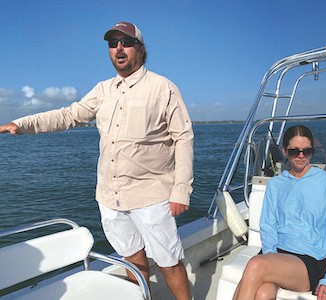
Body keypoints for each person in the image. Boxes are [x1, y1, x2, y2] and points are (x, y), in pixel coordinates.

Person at [0, 21, 193, 300]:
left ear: (140, 48)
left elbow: (183, 138)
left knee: (168, 261)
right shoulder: (103, 89)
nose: (118, 49)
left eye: (125, 42)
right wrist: (21, 123)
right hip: (109, 195)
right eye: (112, 44)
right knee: (132, 256)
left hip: (151, 195)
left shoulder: (163, 88)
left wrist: (181, 190)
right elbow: (68, 115)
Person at [233, 125, 326, 300]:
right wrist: (271, 255)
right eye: (294, 151)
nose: (301, 156)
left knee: (256, 265)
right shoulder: (276, 184)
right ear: (285, 152)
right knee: (263, 293)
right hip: (276, 253)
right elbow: (268, 225)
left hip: (310, 259)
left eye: (306, 151)